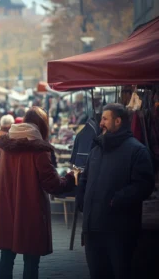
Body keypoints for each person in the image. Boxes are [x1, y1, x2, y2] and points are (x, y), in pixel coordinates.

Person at [0, 107, 76, 279]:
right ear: (42, 125)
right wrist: (71, 177)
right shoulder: (39, 149)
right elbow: (52, 184)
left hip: (7, 209)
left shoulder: (8, 145)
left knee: (6, 258)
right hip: (30, 211)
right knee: (31, 262)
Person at [76, 103, 154, 279]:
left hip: (119, 231)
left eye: (105, 118)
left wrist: (118, 199)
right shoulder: (96, 150)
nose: (101, 123)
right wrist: (81, 197)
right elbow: (85, 178)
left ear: (118, 121)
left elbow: (143, 185)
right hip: (92, 229)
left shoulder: (137, 150)